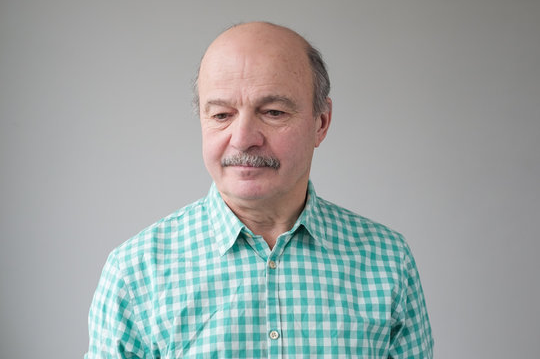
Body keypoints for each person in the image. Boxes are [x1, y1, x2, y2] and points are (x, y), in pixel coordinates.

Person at [86, 22, 433, 358]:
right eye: (222, 115)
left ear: (321, 122)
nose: (243, 139)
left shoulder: (389, 261)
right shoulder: (135, 272)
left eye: (273, 112)